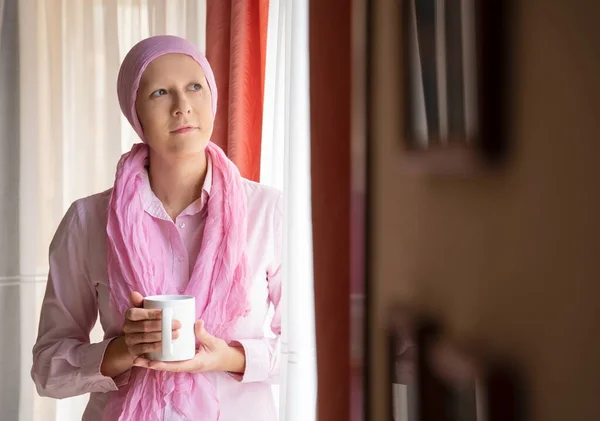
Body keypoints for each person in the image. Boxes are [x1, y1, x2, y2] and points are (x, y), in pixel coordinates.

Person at [31, 35, 282, 421]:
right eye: (161, 93)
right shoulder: (86, 222)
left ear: (212, 98)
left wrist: (230, 358)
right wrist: (120, 352)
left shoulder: (267, 212)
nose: (182, 107)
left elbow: (311, 349)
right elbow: (47, 370)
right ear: (136, 114)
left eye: (194, 87)